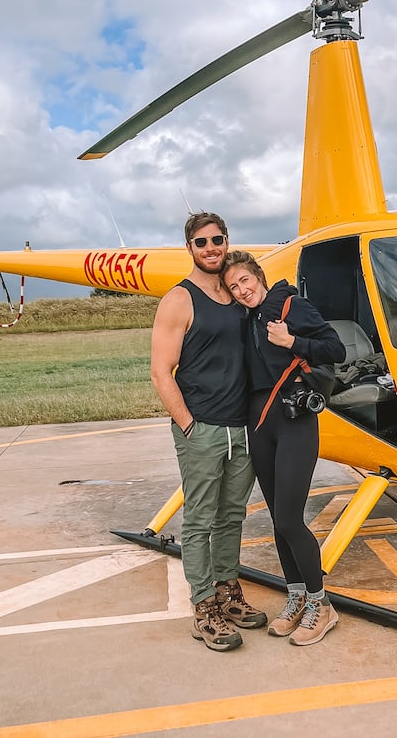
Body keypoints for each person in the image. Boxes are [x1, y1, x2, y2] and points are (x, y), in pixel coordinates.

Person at [150, 213, 267, 652]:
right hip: (202, 426)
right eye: (202, 242)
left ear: (226, 241)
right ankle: (203, 608)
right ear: (190, 248)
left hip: (242, 426)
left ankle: (228, 592)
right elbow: (161, 372)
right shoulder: (179, 300)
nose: (211, 247)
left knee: (232, 516)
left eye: (217, 240)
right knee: (199, 521)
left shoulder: (238, 294)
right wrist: (188, 425)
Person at [221, 250, 346, 646]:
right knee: (277, 520)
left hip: (294, 421)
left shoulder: (290, 304)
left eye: (245, 280)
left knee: (291, 518)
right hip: (260, 425)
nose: (242, 290)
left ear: (259, 275)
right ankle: (296, 598)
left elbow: (336, 349)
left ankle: (321, 605)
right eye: (233, 287)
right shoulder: (243, 320)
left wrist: (293, 340)